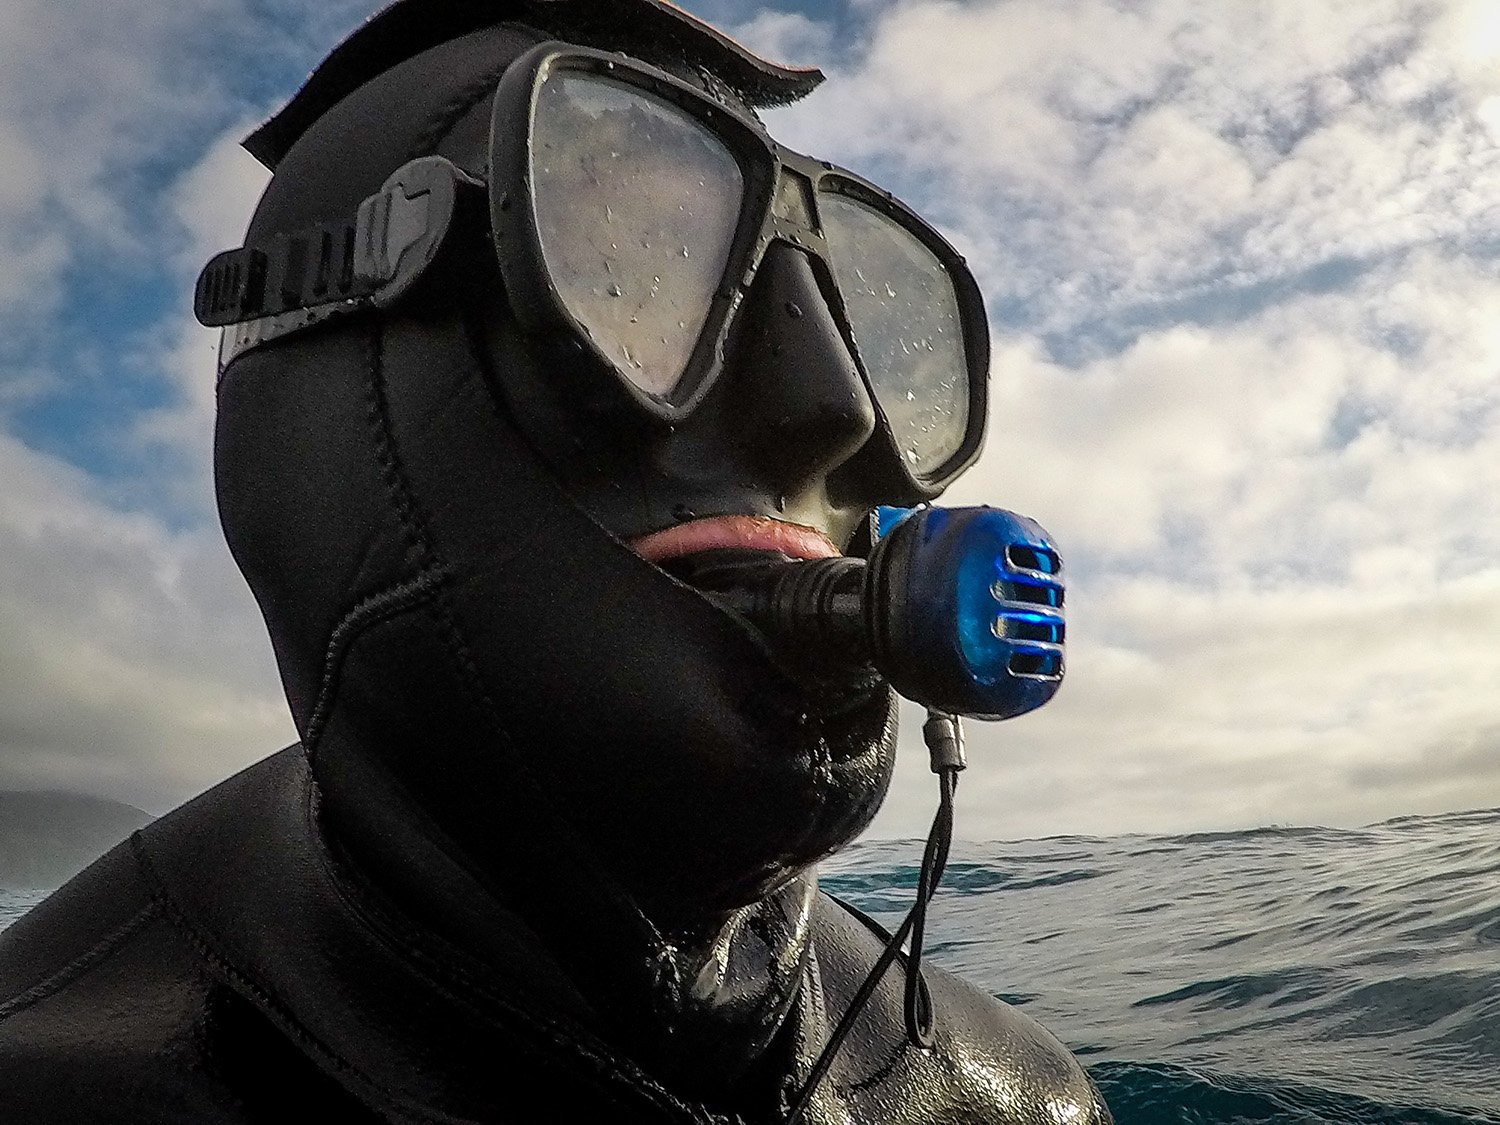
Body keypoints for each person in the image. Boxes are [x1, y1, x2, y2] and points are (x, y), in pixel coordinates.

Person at [0, 2, 1113, 1121]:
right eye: (632, 263)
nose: (834, 410)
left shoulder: (1010, 1099)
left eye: (871, 325)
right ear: (325, 421)